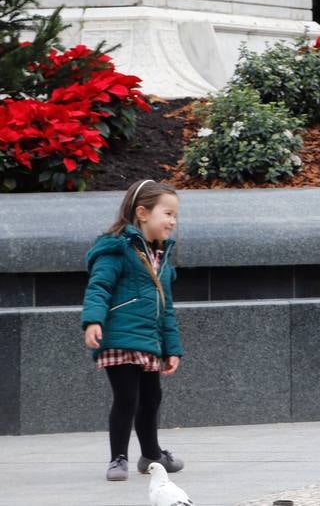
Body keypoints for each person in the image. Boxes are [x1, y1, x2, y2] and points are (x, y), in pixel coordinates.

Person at [80, 180, 185, 482]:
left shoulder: (160, 257)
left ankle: (151, 454)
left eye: (175, 215)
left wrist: (172, 348)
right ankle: (118, 458)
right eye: (167, 213)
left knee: (151, 398)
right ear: (142, 212)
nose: (173, 221)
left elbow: (165, 308)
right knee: (128, 397)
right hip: (120, 337)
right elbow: (99, 287)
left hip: (148, 341)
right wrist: (93, 321)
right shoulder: (118, 248)